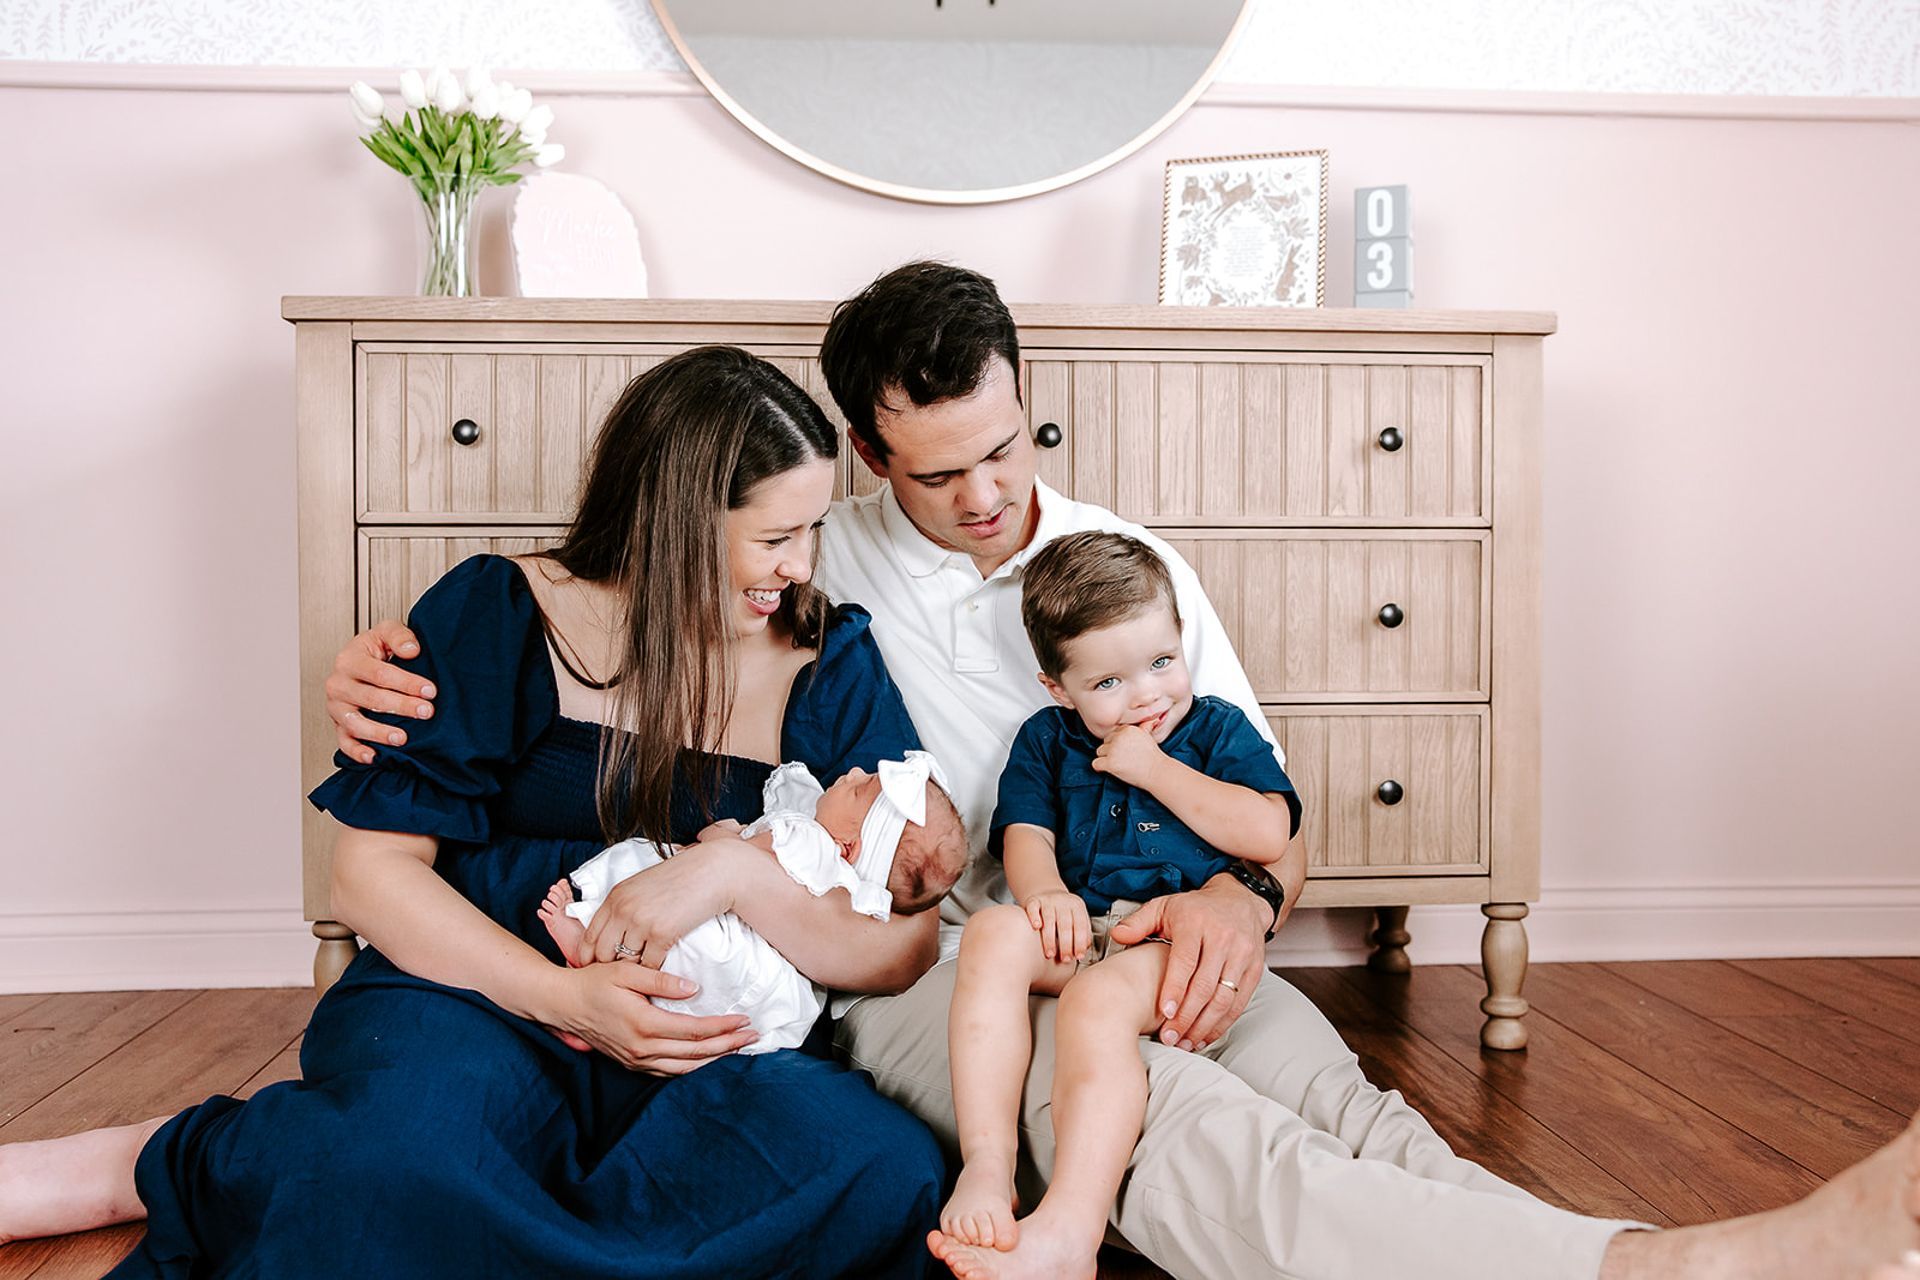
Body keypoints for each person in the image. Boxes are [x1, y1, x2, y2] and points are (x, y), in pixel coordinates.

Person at [322, 264, 1920, 1279]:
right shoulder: (823, 576)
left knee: (1335, 1104)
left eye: (1010, 449)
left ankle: (1613, 1257)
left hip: (1148, 907)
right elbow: (617, 628)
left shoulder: (1121, 563)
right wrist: (376, 671)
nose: (990, 495)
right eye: (941, 473)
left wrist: (1240, 891)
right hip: (942, 957)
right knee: (1168, 1127)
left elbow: (1264, 808)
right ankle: (1672, 1278)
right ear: (871, 457)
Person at [0, 345, 948, 1278]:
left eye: (814, 531)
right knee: (387, 1172)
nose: (800, 565)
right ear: (673, 521)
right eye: (777, 536)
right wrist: (562, 997)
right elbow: (370, 877)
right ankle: (201, 1160)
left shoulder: (827, 661)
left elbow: (902, 945)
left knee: (878, 1172)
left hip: (704, 1040)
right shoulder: (503, 611)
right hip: (482, 994)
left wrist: (729, 870)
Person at [933, 531, 1299, 1278]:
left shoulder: (1215, 728)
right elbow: (1025, 835)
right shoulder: (1045, 740)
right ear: (1057, 687)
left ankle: (1072, 1229)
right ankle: (988, 1162)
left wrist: (1156, 769)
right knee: (992, 937)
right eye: (1108, 684)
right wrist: (1044, 895)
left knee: (1096, 1004)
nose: (1146, 696)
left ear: (1180, 638)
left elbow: (1268, 830)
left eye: (1162, 662)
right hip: (1085, 929)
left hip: (1174, 940)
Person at [540, 752, 968, 1054]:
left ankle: (586, 951)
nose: (854, 771)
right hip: (761, 997)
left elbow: (737, 852)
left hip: (731, 945)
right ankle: (590, 1015)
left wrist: (719, 841)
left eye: (860, 789)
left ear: (849, 847)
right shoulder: (855, 891)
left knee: (677, 934)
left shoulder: (807, 840)